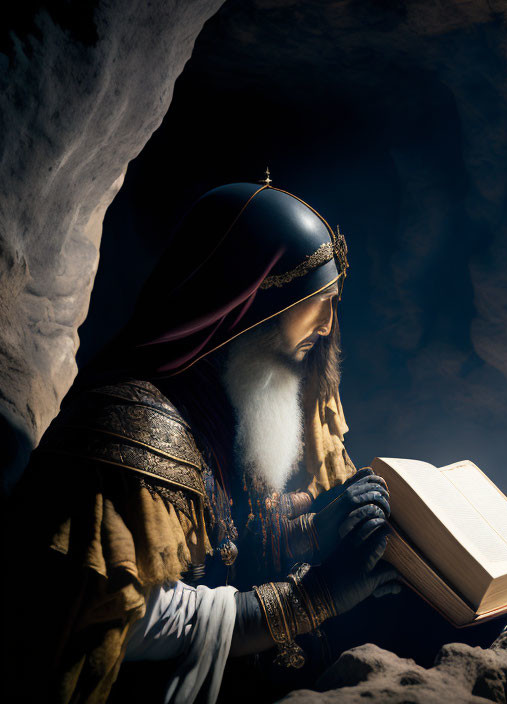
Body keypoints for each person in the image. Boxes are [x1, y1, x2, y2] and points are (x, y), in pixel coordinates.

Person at [3, 181, 401, 703]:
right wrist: (313, 598)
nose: (328, 326)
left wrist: (306, 530)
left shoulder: (230, 387)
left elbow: (217, 540)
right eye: (316, 302)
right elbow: (125, 623)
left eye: (333, 303)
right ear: (249, 302)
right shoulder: (135, 429)